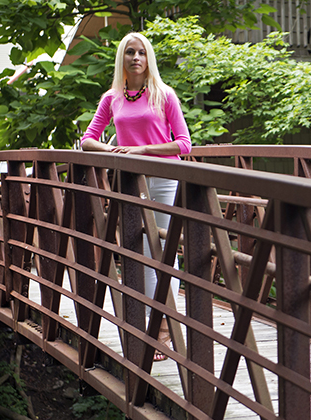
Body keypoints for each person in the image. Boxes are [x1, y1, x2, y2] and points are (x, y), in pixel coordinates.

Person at [81, 32, 191, 361]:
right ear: (122, 58)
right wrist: (113, 150)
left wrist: (142, 149)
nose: (136, 58)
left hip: (164, 178)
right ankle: (149, 322)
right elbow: (88, 139)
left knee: (163, 251)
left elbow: (184, 144)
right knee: (141, 251)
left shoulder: (164, 95)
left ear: (149, 58)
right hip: (130, 181)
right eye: (130, 52)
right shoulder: (112, 98)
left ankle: (164, 330)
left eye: (141, 52)